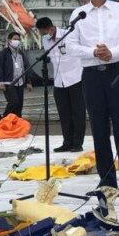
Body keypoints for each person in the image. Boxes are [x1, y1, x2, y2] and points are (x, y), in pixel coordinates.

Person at [67, 0, 119, 196]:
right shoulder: (79, 13)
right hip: (92, 75)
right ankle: (107, 180)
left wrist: (112, 52)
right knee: (99, 129)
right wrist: (94, 53)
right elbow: (70, 45)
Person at [37, 17, 86, 153]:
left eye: (43, 32)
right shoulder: (45, 40)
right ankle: (67, 142)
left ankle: (77, 143)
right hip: (59, 81)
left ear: (50, 28)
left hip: (75, 78)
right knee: (64, 114)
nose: (43, 35)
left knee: (78, 113)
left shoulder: (68, 34)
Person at [0, 32, 33, 117]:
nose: (17, 41)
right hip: (9, 83)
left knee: (19, 105)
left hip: (20, 82)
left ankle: (17, 125)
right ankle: (3, 120)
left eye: (19, 40)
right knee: (13, 102)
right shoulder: (3, 53)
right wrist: (1, 83)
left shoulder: (21, 53)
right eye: (15, 39)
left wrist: (28, 82)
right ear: (9, 40)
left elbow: (26, 67)